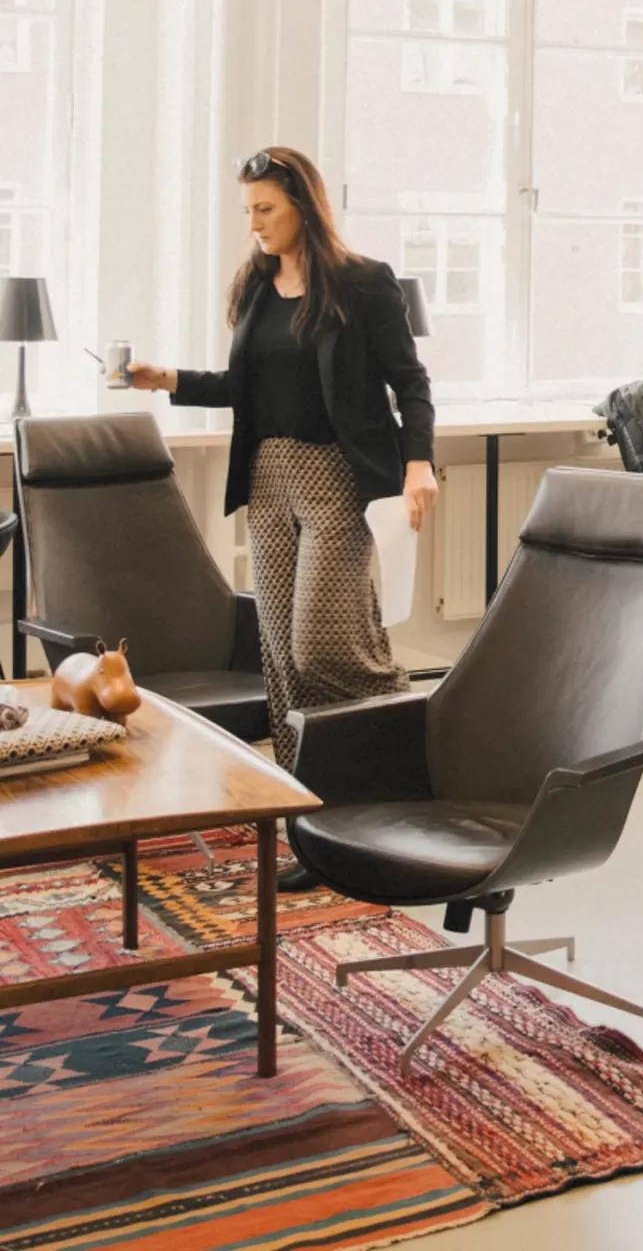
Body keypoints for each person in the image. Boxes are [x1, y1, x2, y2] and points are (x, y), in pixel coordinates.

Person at [130, 147, 438, 872]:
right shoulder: (259, 284)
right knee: (280, 658)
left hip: (335, 472)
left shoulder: (363, 284)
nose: (255, 225)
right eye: (248, 212)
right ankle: (309, 824)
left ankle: (396, 773)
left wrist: (419, 462)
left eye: (265, 209)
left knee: (326, 645)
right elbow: (246, 386)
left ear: (304, 202)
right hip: (268, 476)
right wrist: (164, 378)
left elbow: (411, 384)